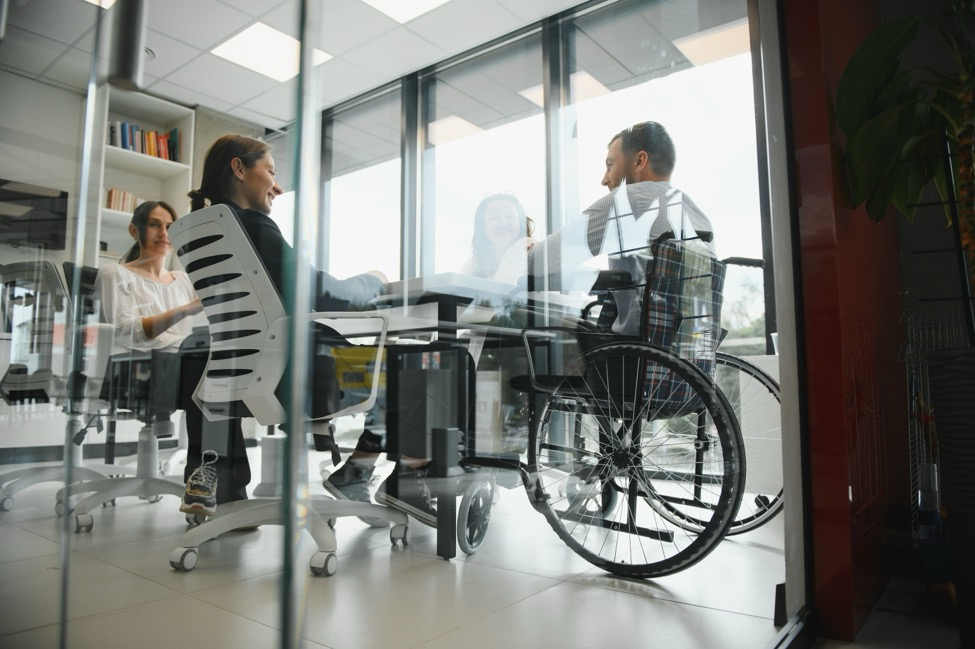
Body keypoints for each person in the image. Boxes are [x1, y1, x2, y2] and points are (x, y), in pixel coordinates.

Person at [187, 134, 390, 520]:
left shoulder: (205, 235)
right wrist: (373, 279)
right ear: (239, 169)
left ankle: (228, 495)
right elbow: (327, 294)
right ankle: (357, 472)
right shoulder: (253, 227)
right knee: (405, 371)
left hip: (237, 372)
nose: (277, 186)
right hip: (296, 373)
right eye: (271, 171)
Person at [94, 200, 237, 517]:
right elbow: (124, 332)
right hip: (137, 366)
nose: (164, 233)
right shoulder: (114, 275)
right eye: (155, 224)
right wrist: (185, 310)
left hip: (184, 361)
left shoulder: (183, 280)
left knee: (225, 359)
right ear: (135, 230)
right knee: (208, 370)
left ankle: (216, 475)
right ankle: (206, 470)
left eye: (170, 226)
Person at [528, 121, 716, 336]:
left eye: (610, 165)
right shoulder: (694, 212)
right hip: (691, 350)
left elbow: (541, 261)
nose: (604, 179)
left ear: (639, 161)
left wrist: (527, 251)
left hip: (635, 352)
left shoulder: (628, 201)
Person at [460, 192, 537, 284]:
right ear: (482, 226)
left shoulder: (528, 249)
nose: (503, 223)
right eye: (494, 217)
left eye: (510, 216)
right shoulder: (471, 265)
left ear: (520, 223)